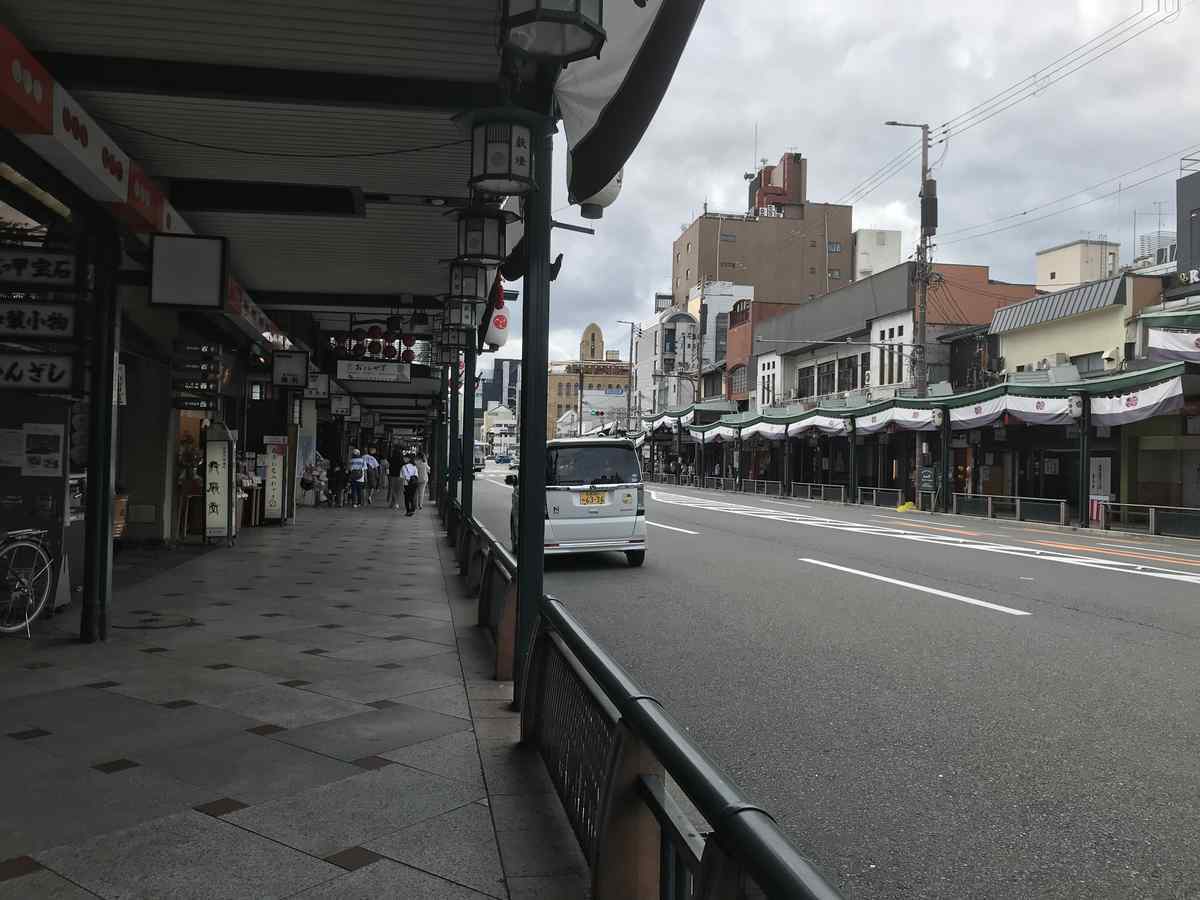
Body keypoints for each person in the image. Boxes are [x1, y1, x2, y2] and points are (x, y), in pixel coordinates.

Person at [387, 444, 407, 510]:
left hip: (392, 476)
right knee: (398, 490)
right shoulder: (401, 459)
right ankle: (395, 503)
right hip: (400, 476)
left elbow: (388, 462)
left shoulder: (391, 458)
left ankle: (394, 503)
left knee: (393, 490)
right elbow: (404, 466)